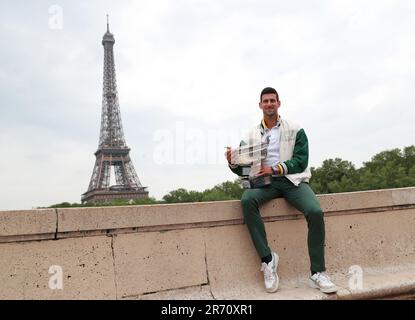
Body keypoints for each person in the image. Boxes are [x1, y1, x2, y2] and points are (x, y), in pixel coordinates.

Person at [225, 87, 337, 294]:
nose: (269, 104)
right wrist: (233, 163)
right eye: (265, 101)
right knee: (247, 201)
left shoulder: (296, 129)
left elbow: (302, 161)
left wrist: (276, 168)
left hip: (292, 180)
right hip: (264, 183)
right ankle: (268, 260)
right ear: (260, 105)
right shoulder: (250, 135)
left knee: (315, 211)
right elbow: (245, 169)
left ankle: (317, 273)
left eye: (272, 100)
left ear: (279, 103)